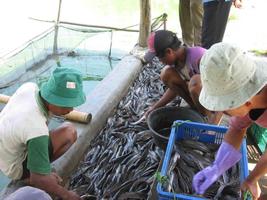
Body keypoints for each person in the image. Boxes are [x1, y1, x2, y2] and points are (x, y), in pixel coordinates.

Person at [192, 42, 267, 199]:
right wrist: (217, 167)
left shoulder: (250, 100)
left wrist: (252, 179)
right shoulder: (252, 95)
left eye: (225, 107)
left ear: (244, 101)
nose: (222, 112)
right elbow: (237, 128)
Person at [0, 67, 86, 200]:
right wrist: (68, 195)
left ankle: (39, 167)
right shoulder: (35, 128)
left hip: (6, 152)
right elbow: (39, 180)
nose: (70, 109)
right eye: (65, 105)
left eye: (72, 104)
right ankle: (28, 176)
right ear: (51, 99)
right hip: (15, 166)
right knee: (69, 132)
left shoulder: (30, 88)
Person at [144, 30, 221, 124]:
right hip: (200, 98)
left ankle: (208, 116)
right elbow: (174, 89)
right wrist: (154, 108)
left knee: (195, 82)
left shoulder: (199, 57)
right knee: (166, 74)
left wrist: (215, 121)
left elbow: (221, 87)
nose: (160, 61)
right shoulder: (176, 62)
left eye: (159, 58)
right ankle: (197, 110)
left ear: (169, 51)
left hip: (216, 100)